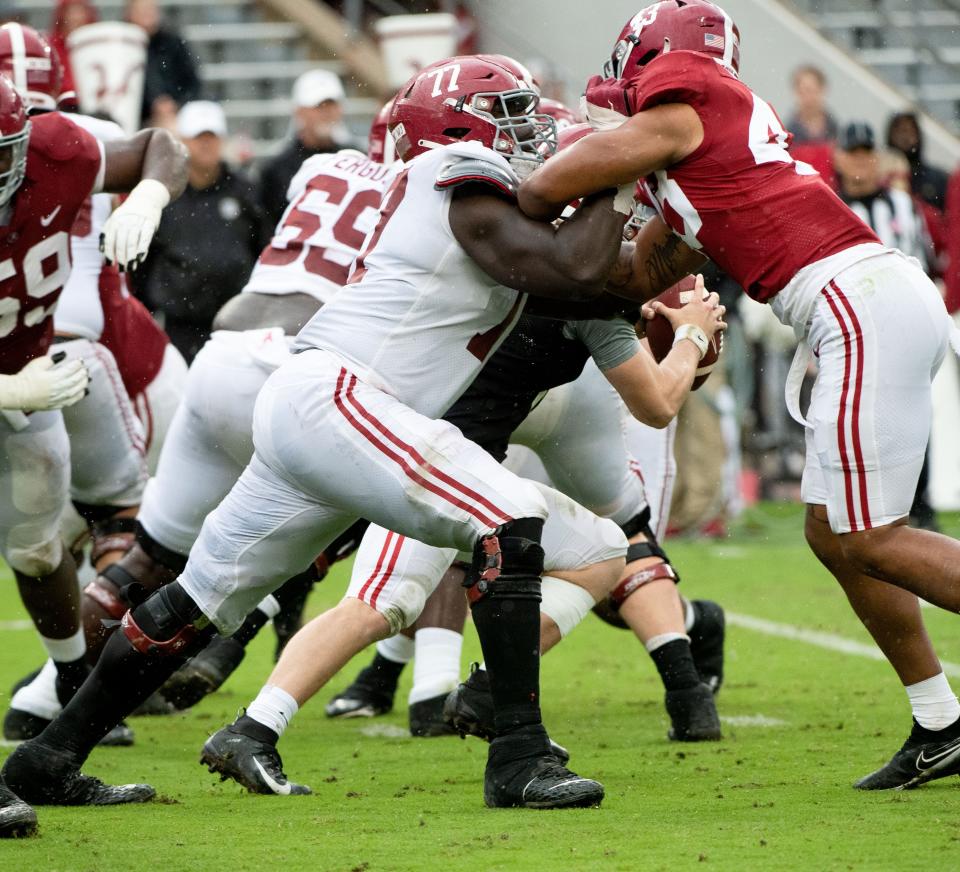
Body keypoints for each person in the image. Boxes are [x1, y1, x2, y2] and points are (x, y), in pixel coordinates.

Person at [2, 54, 636, 821]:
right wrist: (618, 165)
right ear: (460, 128)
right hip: (342, 399)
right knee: (506, 518)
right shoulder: (456, 176)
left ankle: (48, 758)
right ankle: (520, 757)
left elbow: (611, 274)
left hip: (322, 406)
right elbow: (577, 268)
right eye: (510, 116)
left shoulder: (471, 195)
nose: (530, 132)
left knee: (197, 598)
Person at [517, 0, 960, 792]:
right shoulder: (699, 156)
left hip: (855, 303)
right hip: (860, 304)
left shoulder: (683, 108)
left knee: (873, 536)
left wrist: (581, 180)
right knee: (834, 537)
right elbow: (629, 275)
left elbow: (549, 184)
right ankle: (941, 720)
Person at [0, 58, 187, 835]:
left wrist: (147, 191)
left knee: (42, 554)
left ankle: (67, 704)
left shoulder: (56, 147)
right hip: (20, 383)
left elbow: (158, 147)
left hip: (29, 374)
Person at [131, 100, 267, 361]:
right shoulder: (163, 194)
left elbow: (263, 246)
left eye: (212, 137)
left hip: (237, 323)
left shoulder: (245, 190)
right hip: (180, 325)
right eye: (198, 137)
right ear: (182, 141)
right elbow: (145, 261)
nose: (206, 144)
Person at [257, 69, 354, 227]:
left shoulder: (356, 158)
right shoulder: (275, 170)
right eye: (319, 106)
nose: (327, 113)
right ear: (299, 111)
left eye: (331, 105)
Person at [125, 0, 201, 127]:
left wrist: (175, 104)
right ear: (129, 13)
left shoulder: (173, 42)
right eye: (141, 10)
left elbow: (192, 84)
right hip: (136, 118)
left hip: (175, 115)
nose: (147, 14)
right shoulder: (121, 45)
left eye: (150, 9)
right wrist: (152, 104)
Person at [886, 110, 949, 212]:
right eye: (900, 131)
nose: (905, 137)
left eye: (910, 130)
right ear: (890, 135)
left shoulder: (938, 179)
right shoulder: (878, 179)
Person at [46, 0, 98, 100]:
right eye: (70, 11)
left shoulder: (97, 47)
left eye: (80, 11)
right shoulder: (51, 47)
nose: (75, 17)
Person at [785, 65, 838, 145]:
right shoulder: (788, 132)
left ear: (823, 90)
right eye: (802, 92)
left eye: (811, 91)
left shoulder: (834, 127)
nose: (808, 98)